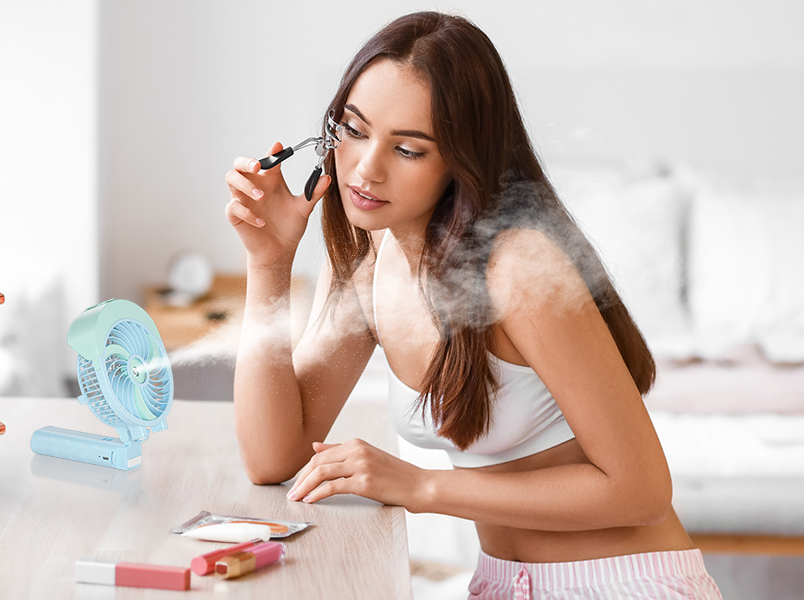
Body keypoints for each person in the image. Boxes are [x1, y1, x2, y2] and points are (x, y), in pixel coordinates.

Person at [223, 11, 721, 599]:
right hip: (502, 586)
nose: (365, 167)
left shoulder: (517, 268)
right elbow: (273, 456)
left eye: (407, 149)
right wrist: (269, 263)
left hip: (621, 585)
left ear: (461, 160)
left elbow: (640, 491)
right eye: (354, 130)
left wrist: (421, 487)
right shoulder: (368, 255)